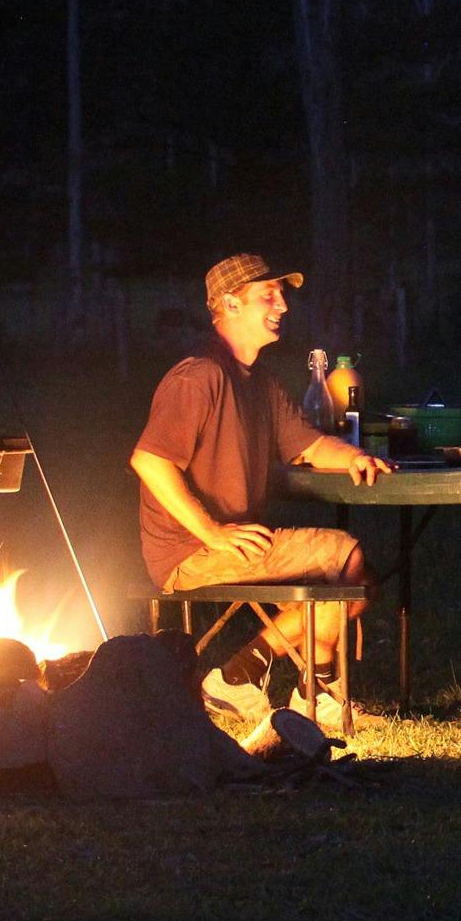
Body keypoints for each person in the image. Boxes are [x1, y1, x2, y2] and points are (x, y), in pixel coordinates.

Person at [129, 252, 393, 741]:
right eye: (268, 296)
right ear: (230, 304)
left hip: (232, 540)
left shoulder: (259, 381)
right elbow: (149, 460)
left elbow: (309, 445)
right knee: (346, 555)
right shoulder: (199, 376)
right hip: (189, 552)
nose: (283, 306)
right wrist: (212, 531)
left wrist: (355, 457)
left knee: (359, 581)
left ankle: (244, 675)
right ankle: (312, 692)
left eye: (282, 295)